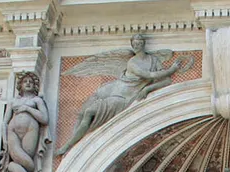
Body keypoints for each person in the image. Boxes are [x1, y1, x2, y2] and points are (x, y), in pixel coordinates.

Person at [56, 34, 193, 156]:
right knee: (83, 112)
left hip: (121, 99)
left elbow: (166, 81)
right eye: (134, 43)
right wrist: (172, 69)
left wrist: (148, 89)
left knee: (89, 112)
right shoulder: (132, 62)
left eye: (139, 42)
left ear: (143, 44)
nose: (137, 45)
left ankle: (69, 145)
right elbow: (149, 75)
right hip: (116, 91)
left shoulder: (153, 60)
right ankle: (72, 143)